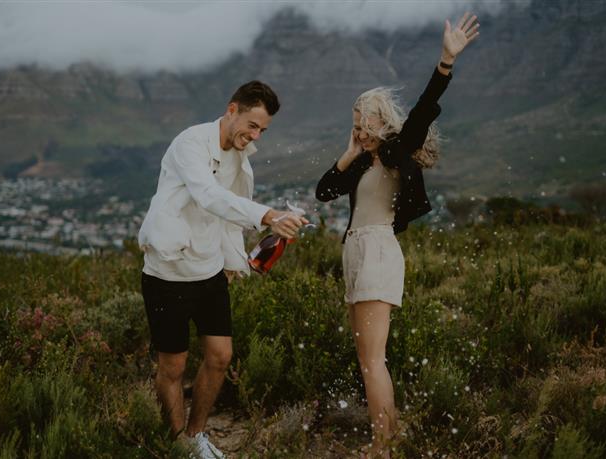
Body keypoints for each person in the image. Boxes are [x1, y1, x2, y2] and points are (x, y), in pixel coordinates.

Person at [315, 12, 480, 459]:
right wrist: (348, 152)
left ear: (381, 122)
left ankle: (383, 447)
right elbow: (324, 191)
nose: (359, 130)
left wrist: (445, 62)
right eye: (355, 123)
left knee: (373, 360)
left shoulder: (394, 153)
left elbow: (423, 110)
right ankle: (389, 439)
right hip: (355, 253)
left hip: (377, 252)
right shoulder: (361, 163)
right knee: (367, 360)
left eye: (364, 124)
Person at [138, 81, 307, 459]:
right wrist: (269, 216)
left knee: (220, 357)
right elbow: (209, 196)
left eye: (263, 130)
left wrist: (233, 261)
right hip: (168, 272)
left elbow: (230, 216)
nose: (256, 136)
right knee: (173, 366)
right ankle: (177, 444)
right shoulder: (190, 143)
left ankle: (196, 436)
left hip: (211, 271)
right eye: (252, 125)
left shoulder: (240, 156)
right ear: (232, 110)